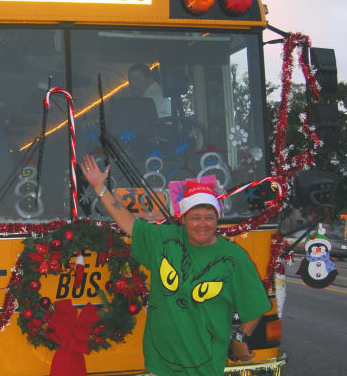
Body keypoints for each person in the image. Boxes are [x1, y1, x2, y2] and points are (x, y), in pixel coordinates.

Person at [80, 154, 270, 376]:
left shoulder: (233, 257)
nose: (202, 224)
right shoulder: (164, 239)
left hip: (205, 369)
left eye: (209, 217)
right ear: (184, 219)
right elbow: (128, 223)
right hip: (160, 366)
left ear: (217, 219)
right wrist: (100, 188)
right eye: (195, 217)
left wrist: (239, 338)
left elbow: (255, 304)